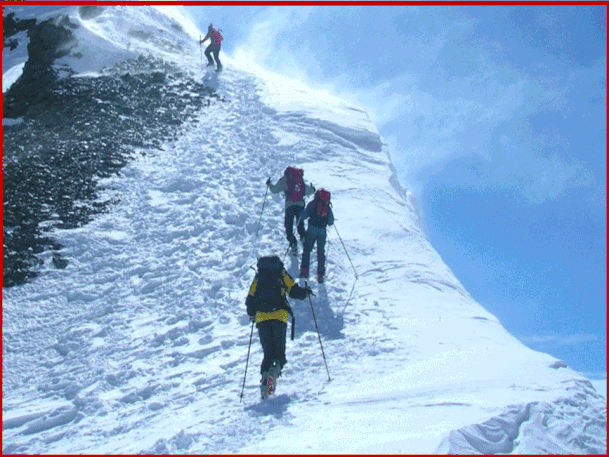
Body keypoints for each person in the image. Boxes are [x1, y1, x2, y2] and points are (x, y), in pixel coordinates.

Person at [246, 255, 312, 398]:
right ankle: (273, 375)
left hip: (262, 318)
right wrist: (305, 292)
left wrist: (252, 314)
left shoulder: (259, 276)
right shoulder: (281, 273)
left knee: (267, 353)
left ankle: (265, 378)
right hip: (279, 317)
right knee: (279, 353)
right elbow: (293, 291)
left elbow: (250, 297)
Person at [267, 167, 315, 256]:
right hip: (300, 205)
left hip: (289, 205)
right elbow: (308, 190)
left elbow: (274, 190)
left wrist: (269, 184)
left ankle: (293, 243)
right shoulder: (299, 179)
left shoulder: (285, 179)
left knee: (288, 225)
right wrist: (313, 189)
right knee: (300, 224)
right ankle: (304, 238)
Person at [299, 188, 334, 283]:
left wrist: (301, 213)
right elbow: (331, 222)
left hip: (311, 230)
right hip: (322, 232)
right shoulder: (327, 206)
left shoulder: (313, 203)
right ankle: (320, 274)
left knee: (307, 250)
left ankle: (304, 270)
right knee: (320, 253)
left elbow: (304, 216)